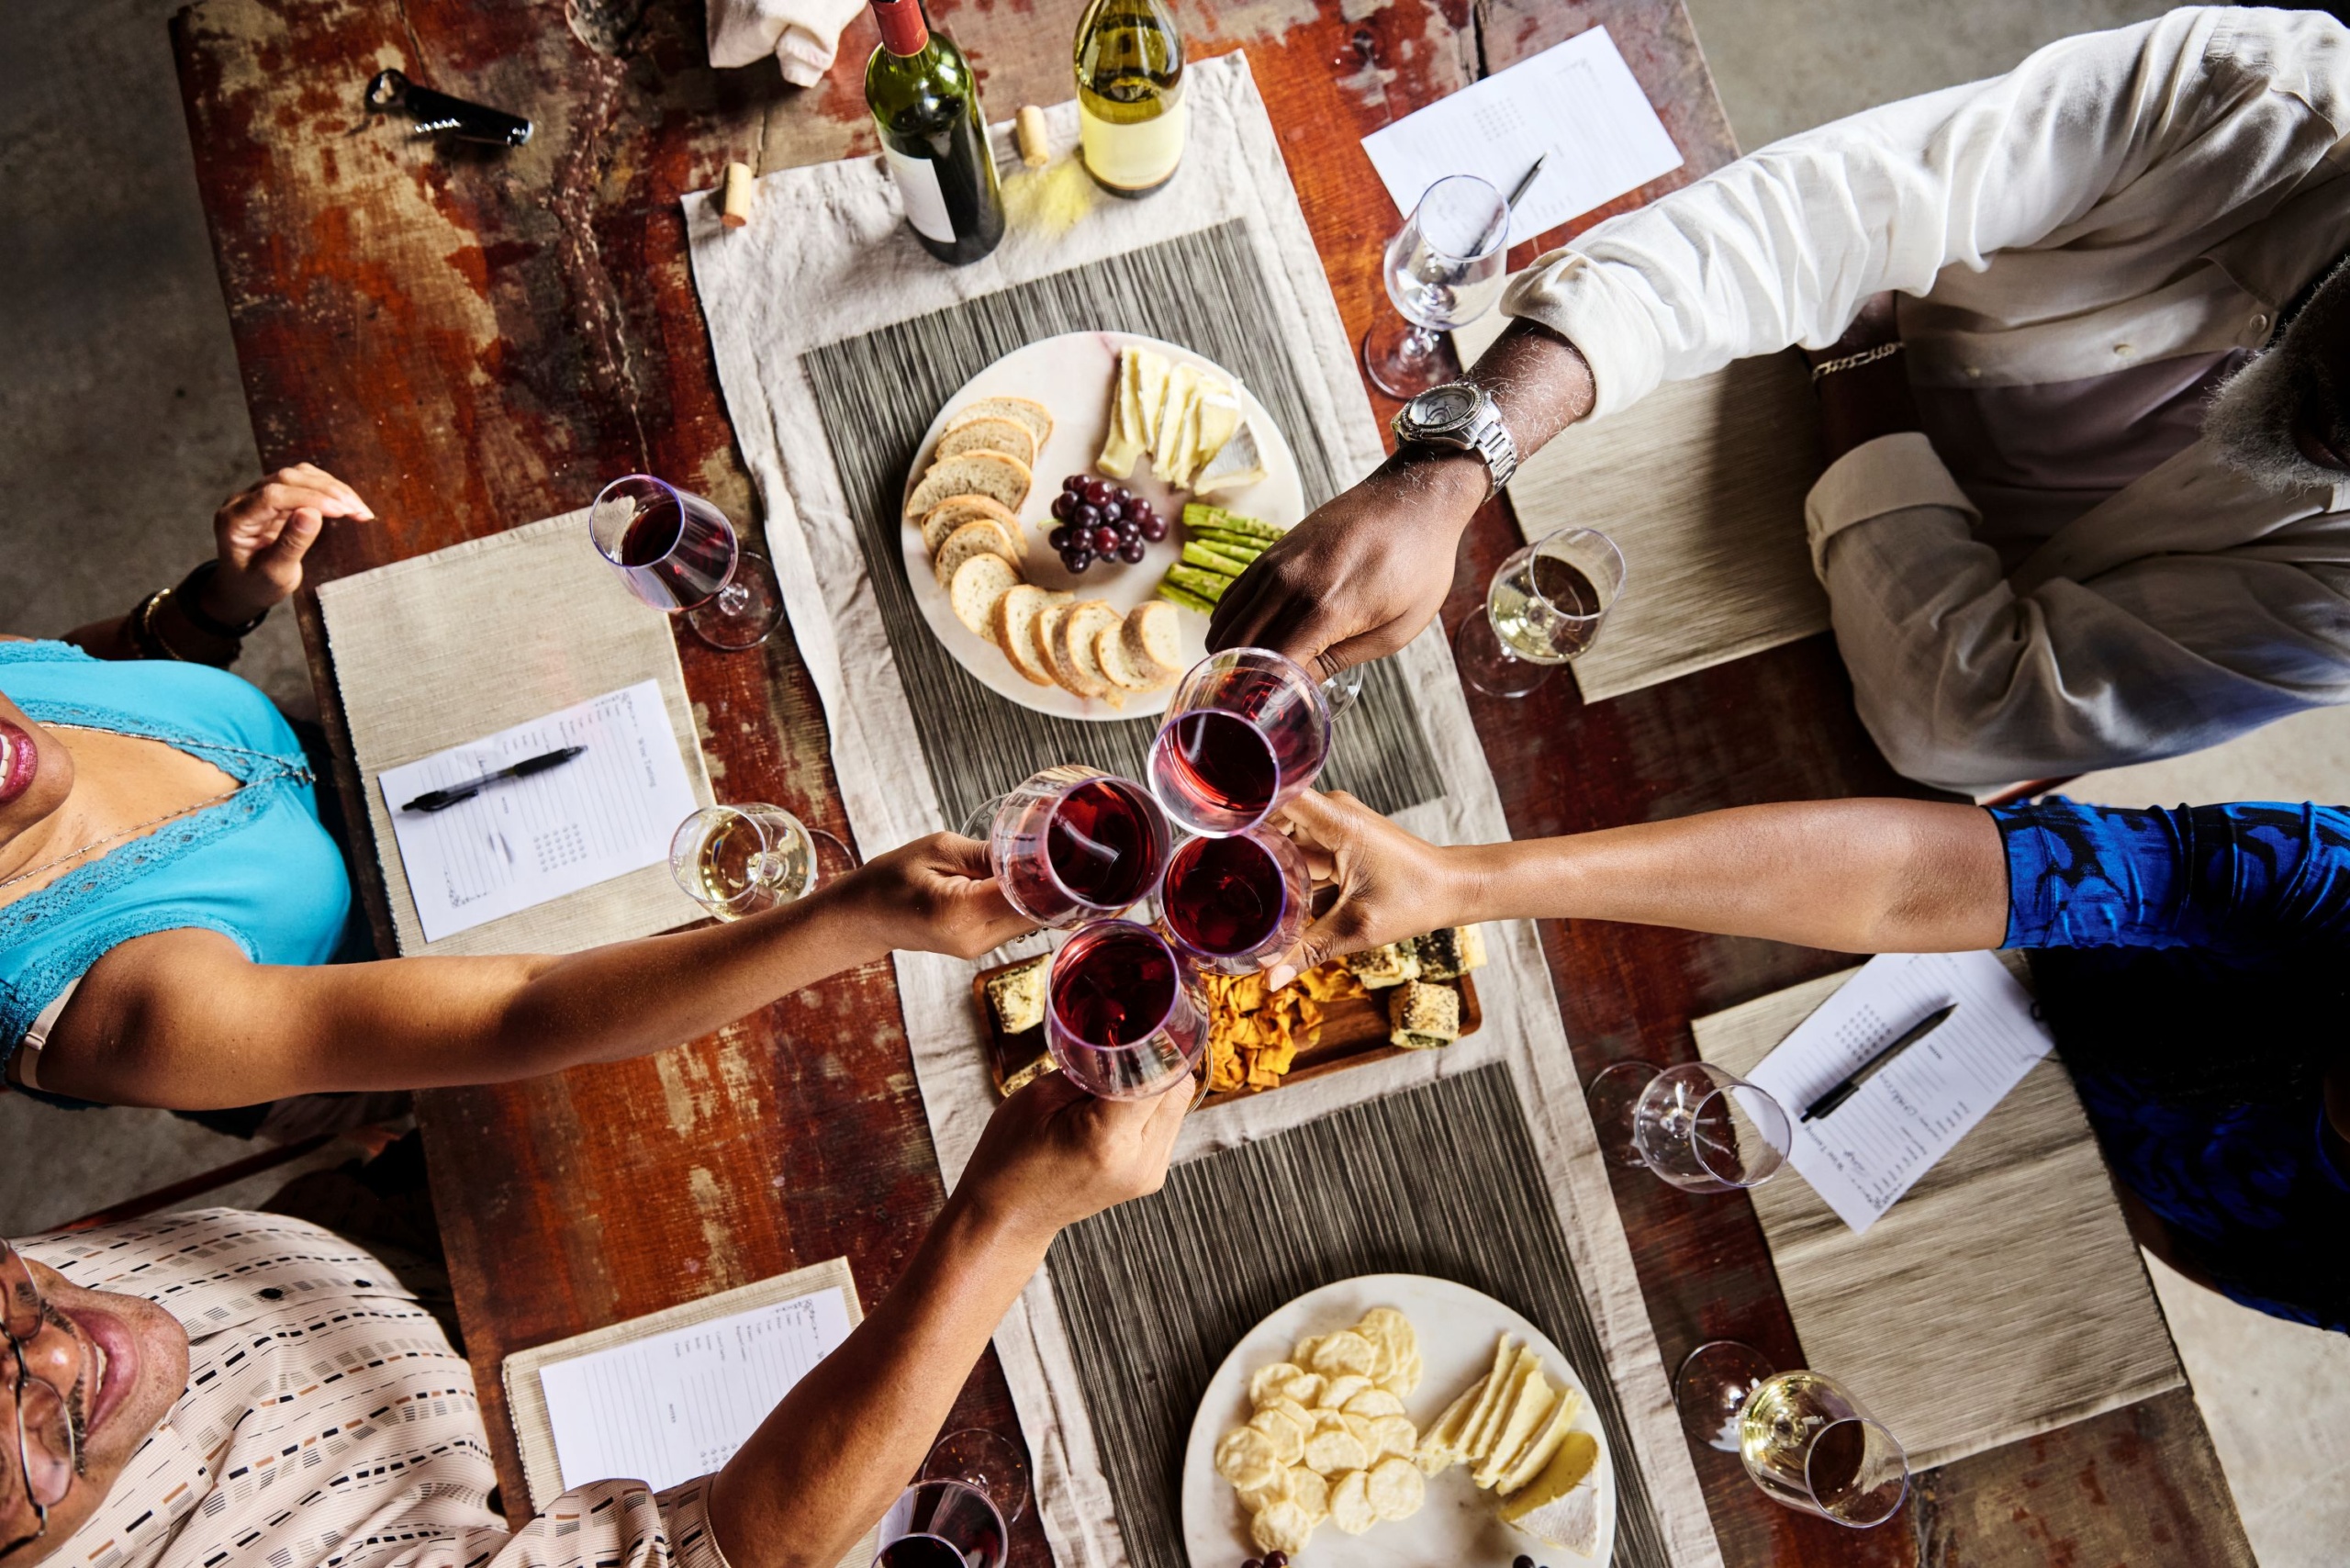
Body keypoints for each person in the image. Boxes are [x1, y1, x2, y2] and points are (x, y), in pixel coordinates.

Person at [1210, 6, 2350, 793]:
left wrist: (1860, 357)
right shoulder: (2263, 94)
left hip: (1845, 641)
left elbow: (1958, 723)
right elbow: (1806, 222)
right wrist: (1443, 470)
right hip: (1753, 398)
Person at [1, 466, 1028, 1112]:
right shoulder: (110, 1017)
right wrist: (861, 916)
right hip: (414, 1000)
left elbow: (85, 666)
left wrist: (218, 602)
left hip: (379, 771)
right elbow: (518, 1015)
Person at [0, 1069, 1191, 1568]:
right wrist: (1003, 1222)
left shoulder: (67, 1347)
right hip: (537, 1483)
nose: (61, 1342)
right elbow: (734, 1555)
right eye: (32, 1431)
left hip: (370, 1248)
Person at [1270, 787, 2350, 1332]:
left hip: (2090, 1191)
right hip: (2018, 952)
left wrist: (2090, 1190)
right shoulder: (2329, 878)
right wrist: (1465, 883)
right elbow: (1909, 880)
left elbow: (2239, 1262)